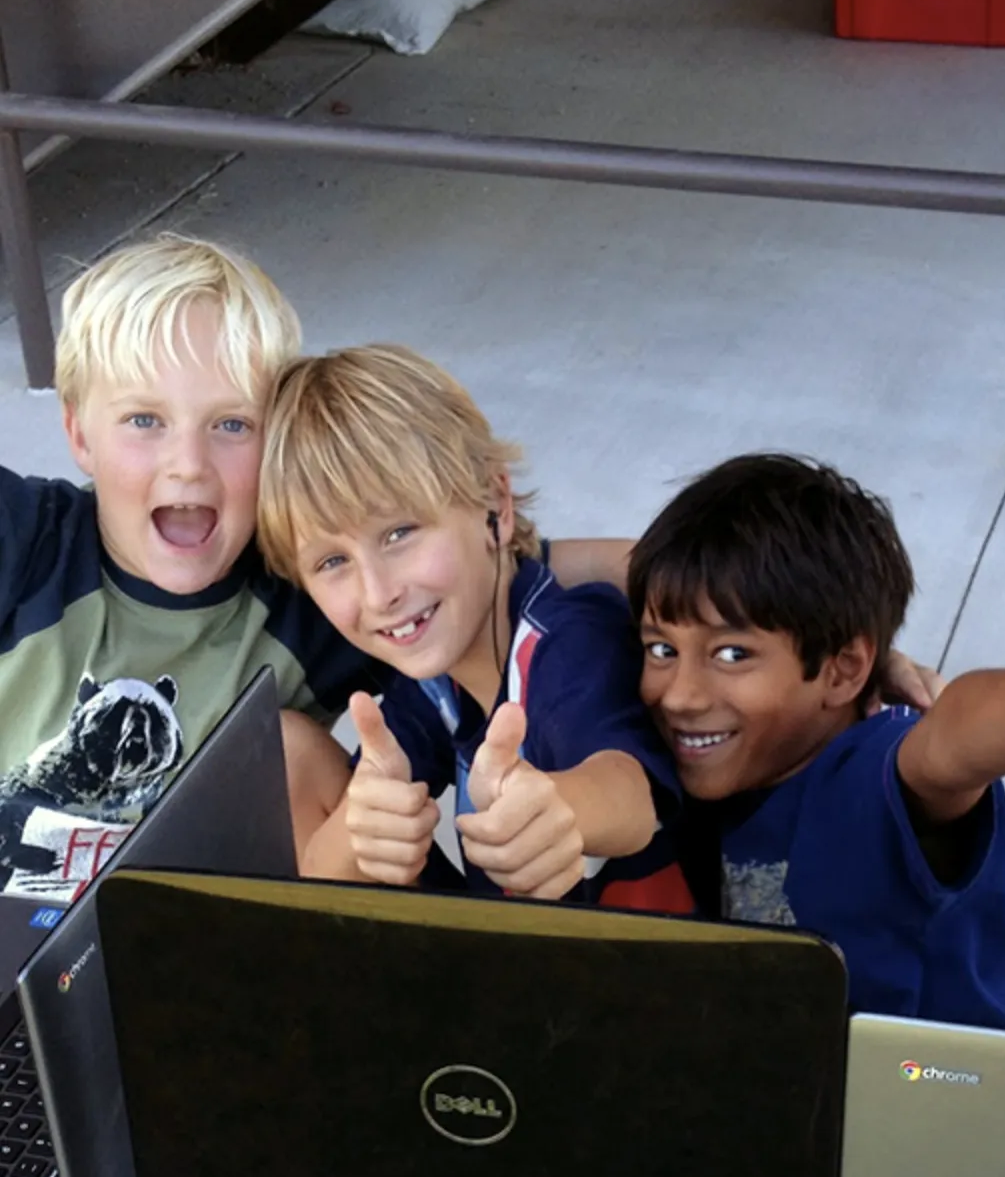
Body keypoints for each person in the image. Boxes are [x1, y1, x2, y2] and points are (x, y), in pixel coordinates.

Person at [0, 234, 620, 900]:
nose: (188, 463)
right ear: (78, 434)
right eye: (144, 419)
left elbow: (494, 576)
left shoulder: (315, 589)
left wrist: (703, 572)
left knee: (294, 749)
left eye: (232, 425)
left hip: (169, 959)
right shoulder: (28, 537)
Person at [258, 345, 695, 910]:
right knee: (291, 753)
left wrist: (559, 807)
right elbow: (317, 873)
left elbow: (630, 790)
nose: (379, 593)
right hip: (511, 956)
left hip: (646, 975)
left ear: (495, 502)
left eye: (399, 533)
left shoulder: (568, 636)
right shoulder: (431, 681)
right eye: (332, 562)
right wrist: (359, 835)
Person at [628, 452, 1005, 1028]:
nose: (680, 696)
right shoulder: (730, 761)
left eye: (733, 654)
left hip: (931, 1100)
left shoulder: (867, 774)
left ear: (842, 670)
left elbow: (958, 738)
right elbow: (537, 571)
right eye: (662, 649)